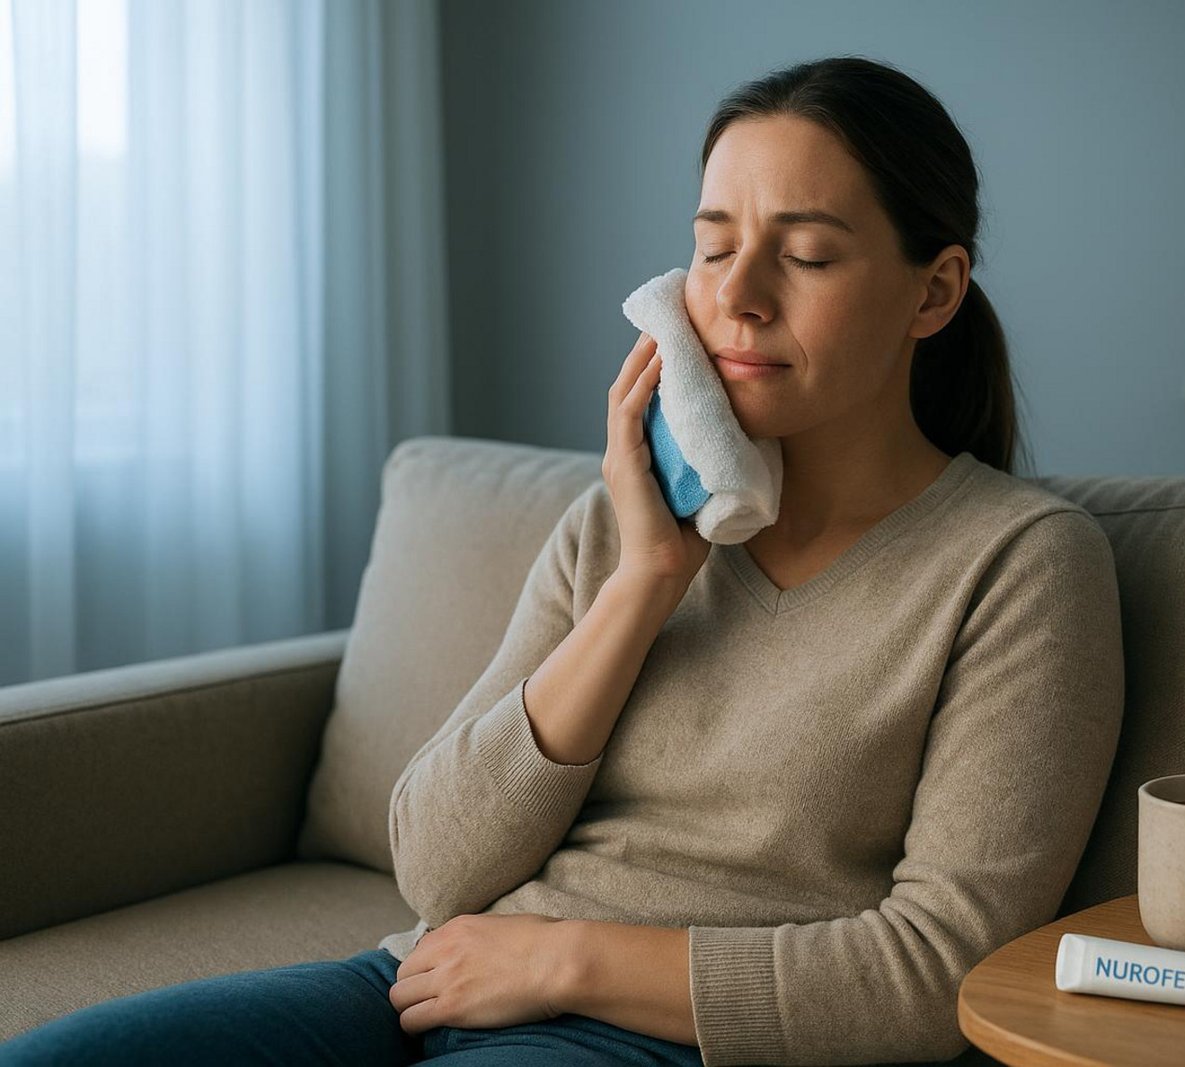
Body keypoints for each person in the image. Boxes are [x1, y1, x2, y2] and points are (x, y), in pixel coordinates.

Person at [0, 55, 1123, 1067]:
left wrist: (566, 962)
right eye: (714, 245)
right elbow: (435, 867)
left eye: (808, 253)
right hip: (425, 979)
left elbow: (943, 971)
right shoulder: (618, 527)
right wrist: (643, 583)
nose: (737, 296)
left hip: (663, 1035)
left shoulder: (1019, 565)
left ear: (932, 290)